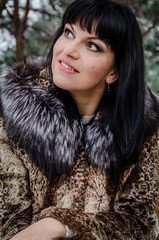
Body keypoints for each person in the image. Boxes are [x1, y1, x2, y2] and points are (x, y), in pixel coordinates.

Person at [0, 0, 159, 239]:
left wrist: (60, 225)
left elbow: (140, 224)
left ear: (114, 72)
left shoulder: (141, 124)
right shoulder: (16, 112)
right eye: (68, 32)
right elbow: (9, 224)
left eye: (93, 46)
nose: (68, 50)